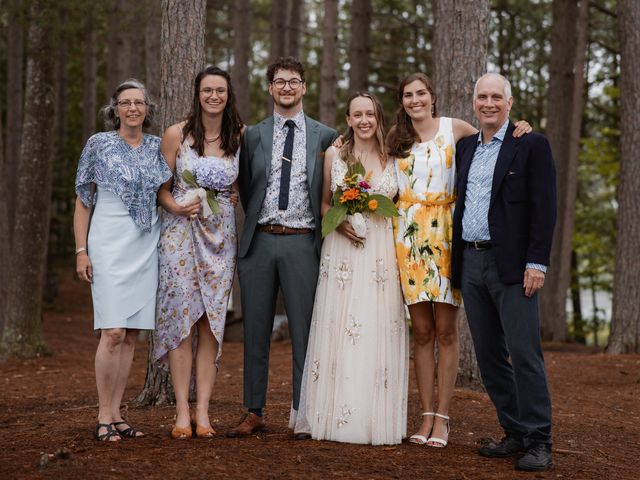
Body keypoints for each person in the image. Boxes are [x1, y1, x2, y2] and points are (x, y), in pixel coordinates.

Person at [387, 72, 530, 447]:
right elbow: (365, 156)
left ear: (433, 97)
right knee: (421, 332)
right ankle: (425, 415)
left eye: (421, 93)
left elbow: (495, 138)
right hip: (409, 240)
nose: (415, 100)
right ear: (402, 101)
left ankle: (444, 419)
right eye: (408, 95)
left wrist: (522, 126)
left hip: (448, 237)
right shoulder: (395, 139)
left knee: (447, 331)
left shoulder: (456, 128)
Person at [451, 73, 556, 471]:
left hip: (513, 266)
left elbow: (545, 209)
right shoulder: (465, 149)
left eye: (497, 97)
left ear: (509, 103)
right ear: (474, 102)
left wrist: (537, 262)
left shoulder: (530, 145)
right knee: (489, 356)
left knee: (525, 354)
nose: (489, 103)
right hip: (472, 262)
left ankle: (540, 440)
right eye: (482, 97)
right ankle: (514, 432)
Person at [229, 57, 337, 438]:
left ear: (304, 87)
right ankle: (253, 409)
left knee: (305, 331)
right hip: (259, 241)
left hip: (303, 242)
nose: (287, 87)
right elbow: (244, 185)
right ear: (270, 88)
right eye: (279, 82)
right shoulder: (252, 135)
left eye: (293, 81)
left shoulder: (325, 136)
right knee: (255, 329)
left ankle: (303, 410)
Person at [292, 92, 409, 445]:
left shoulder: (394, 158)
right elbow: (325, 202)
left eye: (370, 114)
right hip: (341, 249)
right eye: (357, 114)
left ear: (378, 118)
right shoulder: (335, 154)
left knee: (375, 325)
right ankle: (332, 415)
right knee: (339, 326)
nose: (363, 121)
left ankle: (374, 416)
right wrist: (339, 221)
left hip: (380, 252)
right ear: (347, 118)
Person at [74, 79, 171, 441]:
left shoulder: (157, 147)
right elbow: (84, 199)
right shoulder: (98, 145)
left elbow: (164, 193)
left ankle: (117, 414)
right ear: (115, 109)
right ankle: (102, 415)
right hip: (108, 242)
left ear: (148, 109)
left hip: (145, 244)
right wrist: (81, 250)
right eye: (125, 102)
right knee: (112, 331)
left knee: (130, 335)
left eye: (139, 102)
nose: (133, 108)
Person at [153, 66, 243, 439]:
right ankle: (180, 411)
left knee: (210, 322)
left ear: (228, 95)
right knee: (181, 321)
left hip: (221, 236)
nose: (214, 96)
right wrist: (176, 207)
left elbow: (237, 182)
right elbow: (159, 189)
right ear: (198, 93)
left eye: (220, 90)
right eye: (207, 90)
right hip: (180, 235)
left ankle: (203, 413)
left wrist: (231, 195)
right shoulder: (177, 134)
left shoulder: (238, 135)